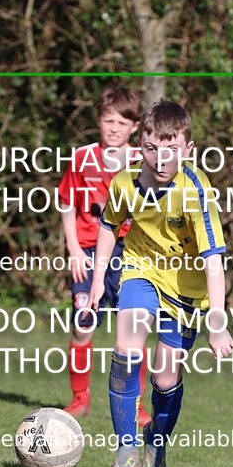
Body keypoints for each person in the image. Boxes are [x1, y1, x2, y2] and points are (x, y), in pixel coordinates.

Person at [89, 101, 233, 467]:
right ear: (141, 146)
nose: (161, 158)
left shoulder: (196, 192)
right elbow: (108, 225)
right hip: (140, 271)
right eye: (152, 148)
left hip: (187, 291)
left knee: (164, 376)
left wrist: (217, 324)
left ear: (188, 148)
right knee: (125, 346)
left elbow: (214, 261)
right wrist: (98, 280)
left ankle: (156, 446)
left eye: (171, 149)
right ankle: (126, 448)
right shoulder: (124, 183)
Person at [58, 85, 150, 426]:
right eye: (107, 120)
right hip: (88, 251)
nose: (113, 128)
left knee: (133, 330)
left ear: (134, 127)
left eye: (121, 123)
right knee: (83, 325)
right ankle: (80, 399)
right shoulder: (81, 158)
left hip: (131, 253)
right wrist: (74, 250)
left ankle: (136, 405)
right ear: (98, 120)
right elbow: (66, 204)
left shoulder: (143, 162)